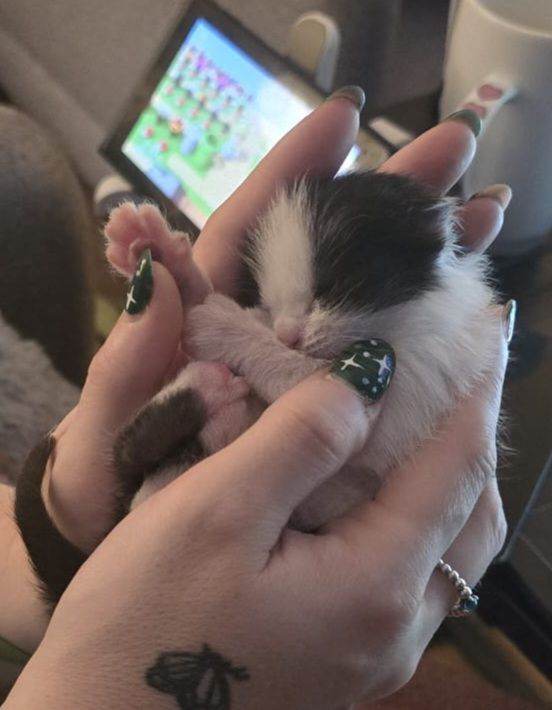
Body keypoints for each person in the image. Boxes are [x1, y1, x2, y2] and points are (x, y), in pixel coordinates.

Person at [1, 87, 513, 709]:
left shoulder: (448, 342)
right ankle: (168, 414)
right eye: (273, 304)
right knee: (212, 413)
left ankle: (168, 413)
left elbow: (363, 435)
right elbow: (301, 387)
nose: (289, 331)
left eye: (318, 298)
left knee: (221, 394)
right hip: (218, 546)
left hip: (298, 529)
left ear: (428, 245)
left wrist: (231, 333)